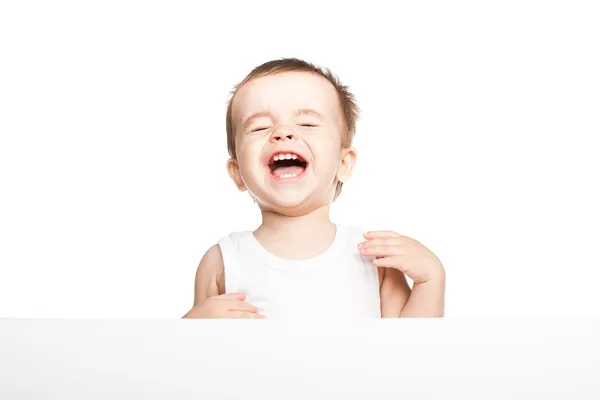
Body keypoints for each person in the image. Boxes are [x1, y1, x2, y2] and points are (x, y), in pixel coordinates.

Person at [183, 58, 445, 319]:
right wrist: (193, 324)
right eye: (260, 127)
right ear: (238, 173)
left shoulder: (375, 259)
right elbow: (195, 357)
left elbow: (407, 351)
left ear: (343, 163)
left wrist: (430, 281)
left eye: (307, 124)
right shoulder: (223, 262)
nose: (283, 132)